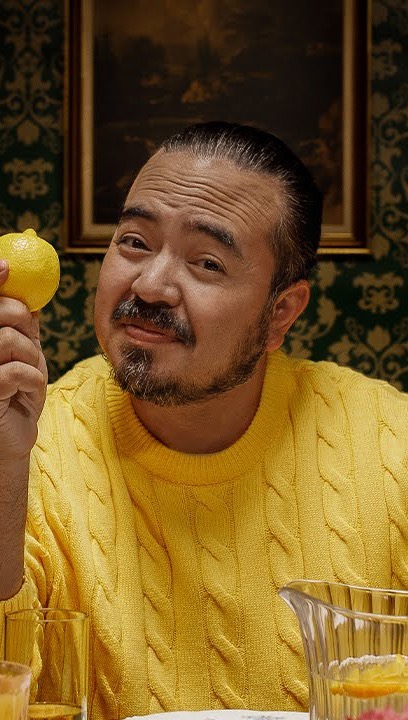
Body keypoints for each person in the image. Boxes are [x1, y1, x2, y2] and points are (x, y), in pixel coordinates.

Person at [0, 121, 407, 720]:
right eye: (134, 242)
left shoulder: (391, 443)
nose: (150, 285)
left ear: (280, 312)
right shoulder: (26, 444)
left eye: (208, 262)